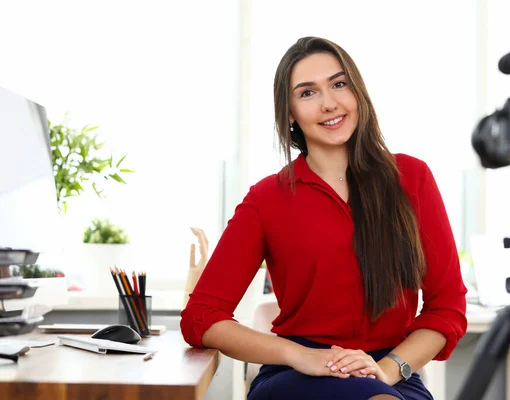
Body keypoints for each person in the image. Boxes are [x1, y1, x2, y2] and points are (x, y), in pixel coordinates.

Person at [181, 36, 467, 400]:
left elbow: (447, 307)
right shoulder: (267, 198)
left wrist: (389, 370)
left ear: (356, 91)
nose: (329, 103)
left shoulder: (412, 179)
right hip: (297, 375)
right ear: (289, 112)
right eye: (307, 93)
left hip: (389, 373)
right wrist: (299, 355)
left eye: (338, 84)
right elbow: (201, 315)